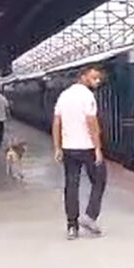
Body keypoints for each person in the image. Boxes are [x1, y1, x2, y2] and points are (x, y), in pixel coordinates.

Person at [52, 66, 106, 240]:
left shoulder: (64, 95)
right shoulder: (87, 96)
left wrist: (57, 147)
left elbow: (56, 122)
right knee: (99, 179)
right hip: (88, 148)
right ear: (83, 77)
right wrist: (97, 148)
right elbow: (92, 122)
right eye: (94, 77)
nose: (97, 81)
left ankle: (72, 226)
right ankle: (90, 216)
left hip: (69, 148)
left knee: (71, 185)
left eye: (98, 78)